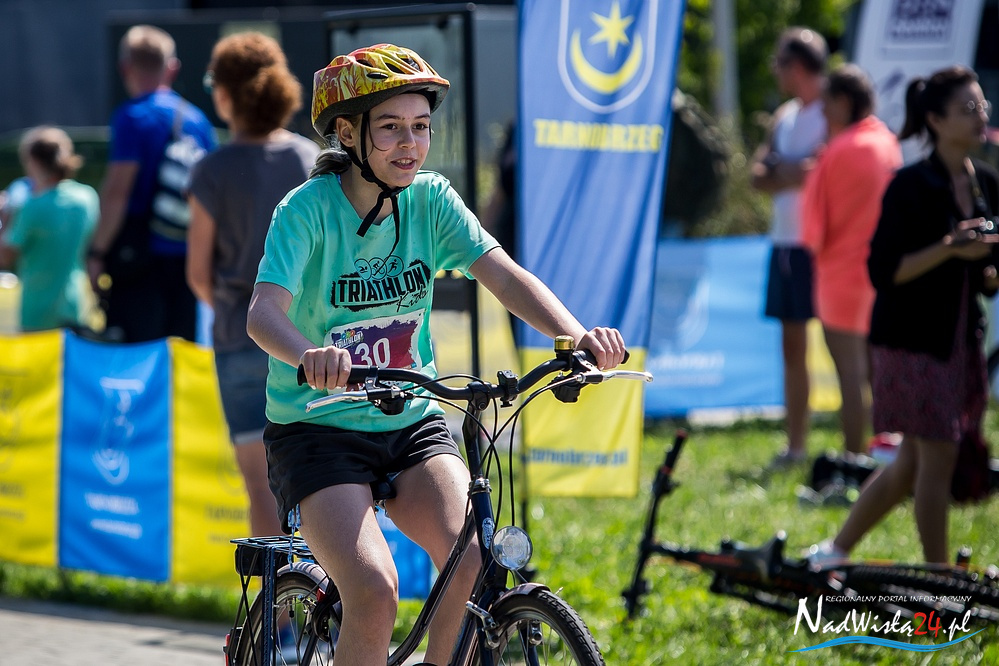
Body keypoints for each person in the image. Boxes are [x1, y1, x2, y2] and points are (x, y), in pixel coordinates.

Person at [246, 43, 626, 665]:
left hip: (410, 420)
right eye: (391, 128)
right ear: (348, 133)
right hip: (317, 427)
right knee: (374, 590)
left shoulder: (432, 200)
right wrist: (310, 354)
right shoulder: (306, 210)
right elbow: (263, 313)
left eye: (421, 127)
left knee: (472, 556)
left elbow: (504, 275)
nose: (410, 145)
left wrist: (575, 335)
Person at [809, 65, 998, 565]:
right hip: (911, 342)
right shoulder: (910, 185)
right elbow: (885, 271)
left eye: (983, 106)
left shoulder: (987, 182)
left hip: (959, 340)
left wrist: (986, 269)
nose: (981, 116)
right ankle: (938, 578)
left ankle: (835, 551)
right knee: (937, 457)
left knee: (912, 460)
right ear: (935, 119)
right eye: (968, 108)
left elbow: (986, 274)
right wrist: (950, 247)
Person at [186, 32, 319, 539]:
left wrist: (233, 310)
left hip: (240, 339)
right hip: (309, 340)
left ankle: (274, 594)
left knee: (260, 488)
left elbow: (198, 273)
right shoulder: (309, 159)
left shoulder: (211, 169)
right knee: (323, 480)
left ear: (224, 94)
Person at [87, 24, 217, 343]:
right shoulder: (198, 120)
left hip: (138, 262)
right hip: (188, 258)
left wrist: (96, 253)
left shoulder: (131, 117)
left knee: (136, 352)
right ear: (172, 68)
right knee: (180, 353)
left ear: (125, 68)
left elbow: (117, 193)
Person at [800, 64, 903, 456]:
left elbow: (813, 231)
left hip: (841, 280)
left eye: (827, 104)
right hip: (883, 277)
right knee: (880, 375)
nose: (823, 113)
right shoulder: (887, 143)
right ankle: (890, 456)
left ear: (843, 102)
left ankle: (854, 460)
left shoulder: (838, 150)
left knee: (850, 376)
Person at [750, 27, 828, 467]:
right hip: (785, 246)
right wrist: (791, 169)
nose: (775, 72)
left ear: (796, 66)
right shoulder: (785, 114)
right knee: (793, 350)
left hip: (825, 248)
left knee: (849, 349)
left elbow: (823, 171)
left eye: (778, 63)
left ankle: (871, 446)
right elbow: (757, 175)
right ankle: (797, 446)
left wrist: (784, 169)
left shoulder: (832, 109)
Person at [0, 127, 99, 331]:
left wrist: (6, 217)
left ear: (34, 162)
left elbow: (5, 257)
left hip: (37, 312)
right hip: (75, 306)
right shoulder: (87, 198)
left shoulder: (31, 207)